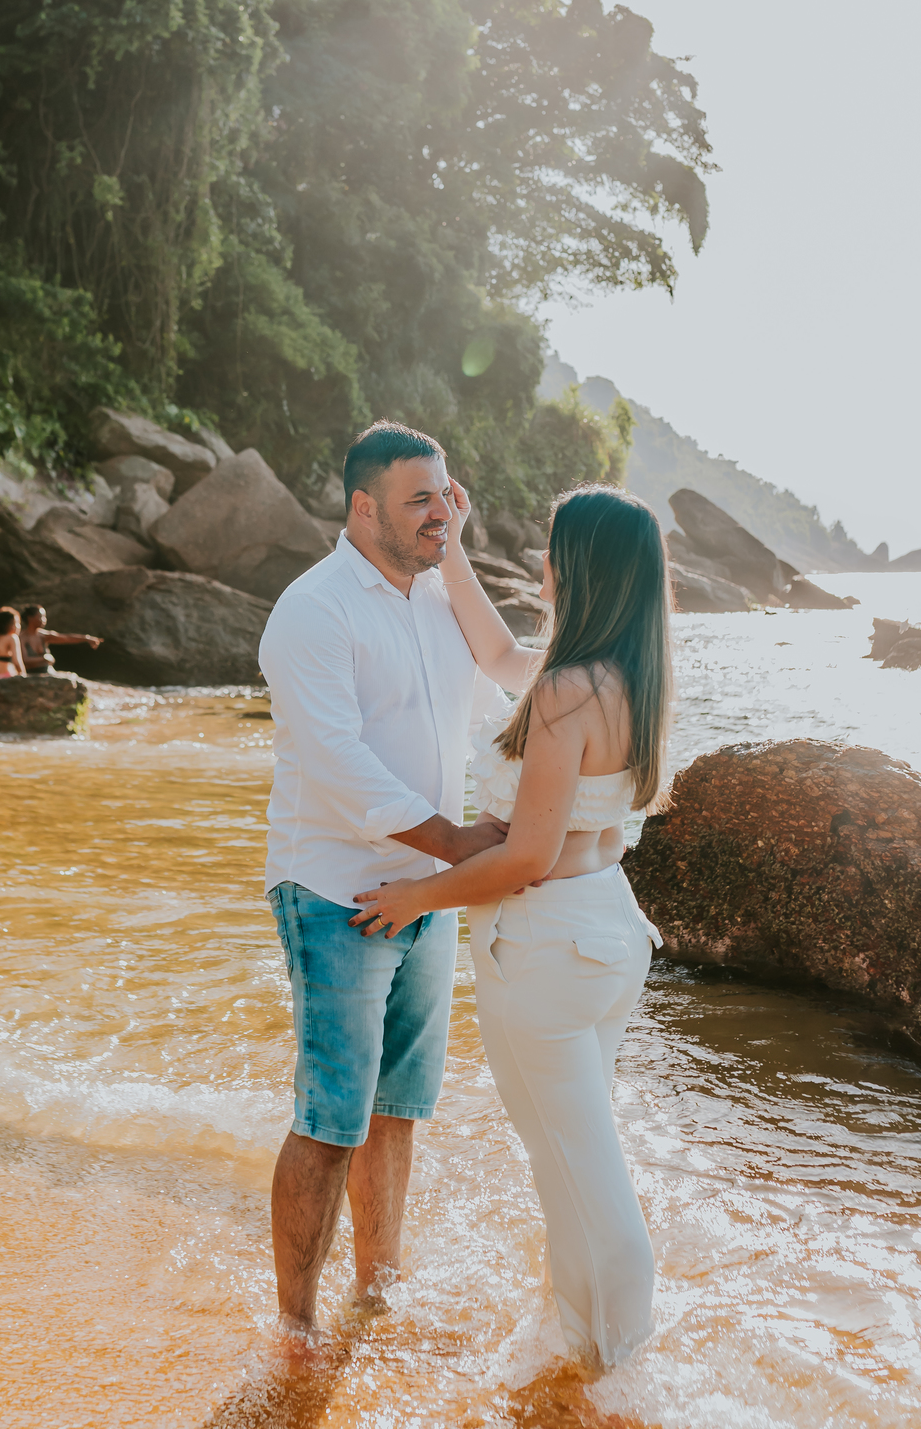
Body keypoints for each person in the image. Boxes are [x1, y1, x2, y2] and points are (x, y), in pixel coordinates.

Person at [352, 482, 671, 1372]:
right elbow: (494, 649)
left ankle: (631, 1380)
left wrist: (417, 896)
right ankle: (580, 1347)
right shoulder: (626, 677)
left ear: (581, 568)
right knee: (562, 1163)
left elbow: (528, 857)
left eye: (554, 548)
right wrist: (449, 543)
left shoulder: (570, 689)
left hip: (546, 948)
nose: (542, 561)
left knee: (588, 1181)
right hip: (603, 937)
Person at [257, 421, 511, 1340]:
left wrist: (463, 858)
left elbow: (507, 678)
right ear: (363, 507)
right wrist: (460, 844)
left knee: (397, 1110)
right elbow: (338, 763)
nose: (440, 511)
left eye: (447, 494)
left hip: (429, 893)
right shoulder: (313, 609)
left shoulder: (440, 597)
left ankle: (376, 1293)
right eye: (420, 499)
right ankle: (296, 1327)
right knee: (333, 1118)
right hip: (334, 892)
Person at [19, 604, 102, 673]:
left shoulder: (44, 636)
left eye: (44, 617)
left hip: (47, 671)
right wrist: (44, 658)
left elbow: (67, 638)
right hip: (31, 672)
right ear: (30, 618)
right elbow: (24, 660)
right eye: (41, 617)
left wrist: (86, 638)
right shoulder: (21, 638)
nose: (44, 620)